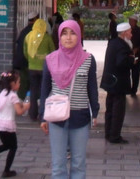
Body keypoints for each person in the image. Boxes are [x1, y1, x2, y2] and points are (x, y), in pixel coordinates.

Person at [39, 20, 100, 179]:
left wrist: (95, 112)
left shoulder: (88, 59)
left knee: (78, 163)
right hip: (56, 117)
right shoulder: (50, 59)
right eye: (64, 33)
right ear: (59, 36)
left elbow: (92, 87)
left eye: (73, 33)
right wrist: (42, 116)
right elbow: (45, 88)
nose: (68, 37)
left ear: (79, 35)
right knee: (58, 164)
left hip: (80, 116)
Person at [101, 21, 135, 144]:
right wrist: (132, 60)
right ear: (125, 33)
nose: (131, 35)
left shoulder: (113, 42)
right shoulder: (122, 45)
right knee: (118, 111)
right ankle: (115, 136)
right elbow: (121, 62)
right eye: (130, 32)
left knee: (110, 109)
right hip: (118, 83)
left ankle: (108, 133)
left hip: (110, 81)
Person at [23, 18, 55, 121]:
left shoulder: (28, 36)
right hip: (45, 68)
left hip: (31, 68)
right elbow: (53, 52)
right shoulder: (47, 38)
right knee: (44, 91)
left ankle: (32, 114)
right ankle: (43, 114)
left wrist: (31, 60)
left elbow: (25, 52)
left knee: (33, 91)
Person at [14, 11, 39, 99]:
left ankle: (20, 103)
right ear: (36, 19)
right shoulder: (36, 32)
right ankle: (29, 105)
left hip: (20, 62)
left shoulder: (23, 31)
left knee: (23, 84)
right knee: (33, 84)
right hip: (29, 62)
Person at [128, 15, 140, 96]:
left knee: (136, 74)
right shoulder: (126, 30)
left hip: (137, 56)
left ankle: (134, 90)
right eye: (129, 21)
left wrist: (138, 49)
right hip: (127, 56)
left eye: (132, 21)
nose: (130, 23)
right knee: (126, 73)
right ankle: (126, 89)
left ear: (135, 22)